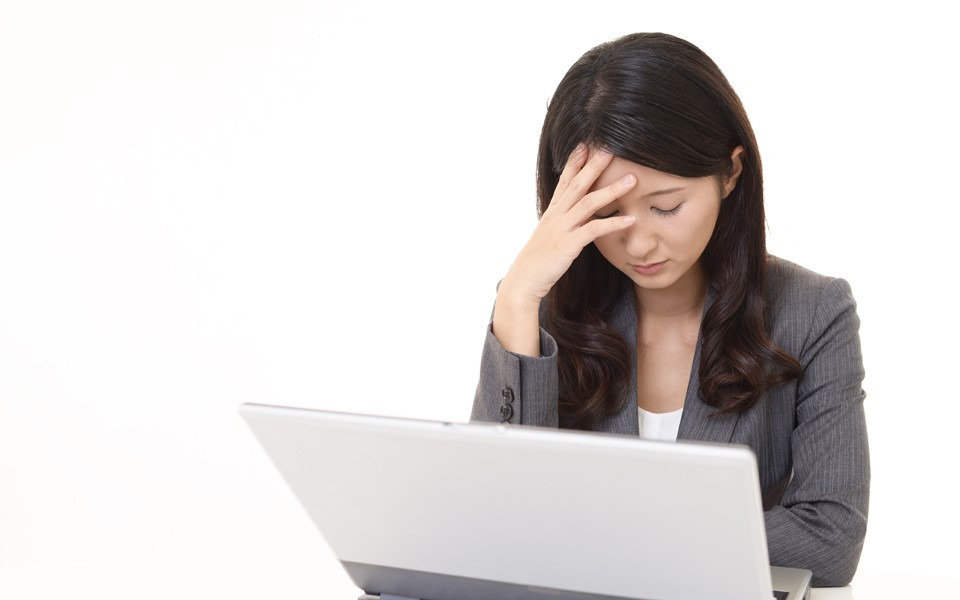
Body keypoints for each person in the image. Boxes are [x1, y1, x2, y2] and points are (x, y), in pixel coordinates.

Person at [471, 32, 868, 588]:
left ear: (730, 173)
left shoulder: (812, 312)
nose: (638, 244)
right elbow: (491, 521)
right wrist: (515, 300)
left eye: (665, 207)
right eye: (606, 213)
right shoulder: (540, 310)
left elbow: (830, 541)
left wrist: (622, 533)